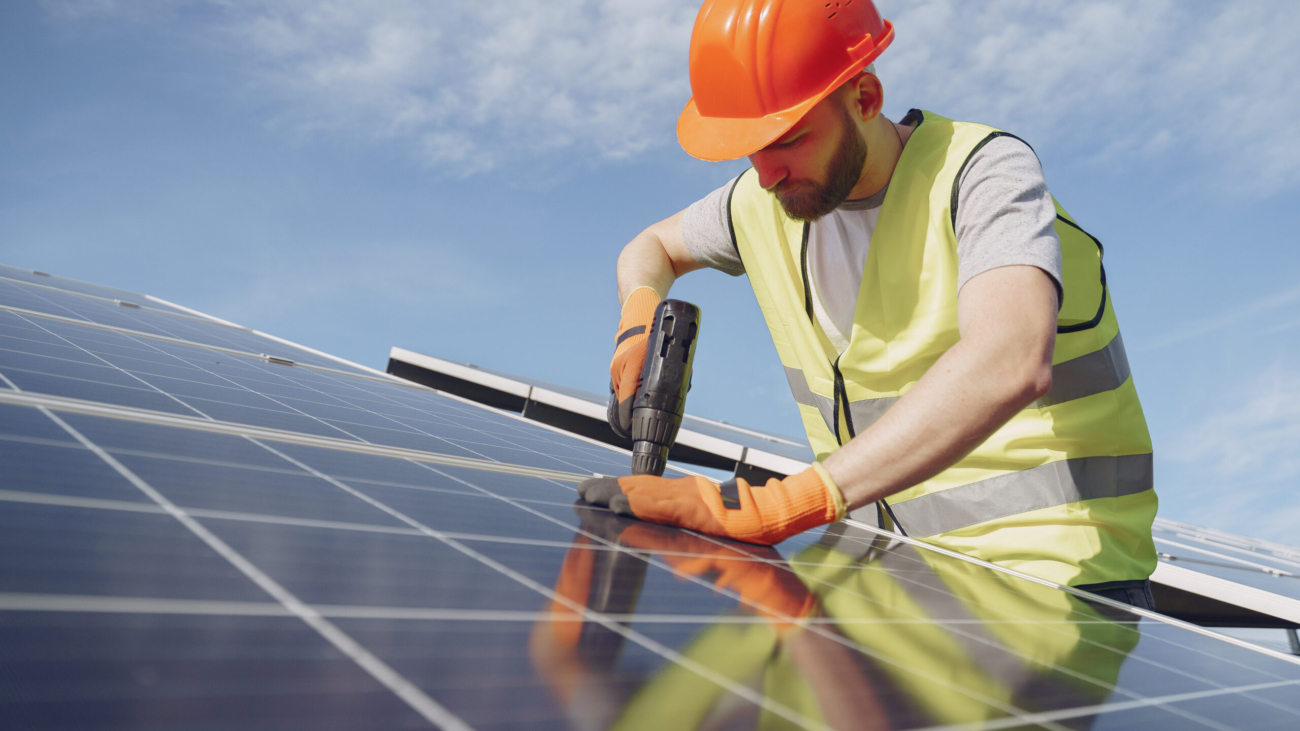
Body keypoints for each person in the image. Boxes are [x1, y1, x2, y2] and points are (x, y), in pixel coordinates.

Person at [578, 0, 1158, 608]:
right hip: (894, 579)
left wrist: (784, 504)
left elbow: (1010, 355)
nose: (768, 174)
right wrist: (638, 315)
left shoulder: (983, 173)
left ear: (865, 97)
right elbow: (650, 247)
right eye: (748, 148)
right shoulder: (760, 200)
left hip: (1055, 583)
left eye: (790, 139)